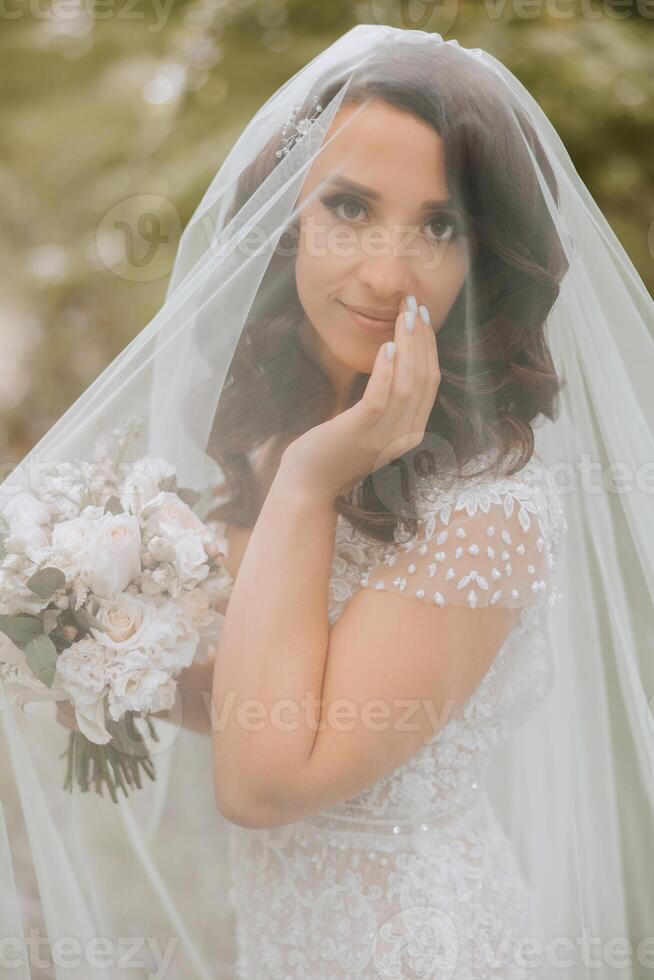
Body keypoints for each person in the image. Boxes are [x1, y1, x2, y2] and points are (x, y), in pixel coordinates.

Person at [3, 24, 653, 980]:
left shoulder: (484, 512)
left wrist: (309, 479)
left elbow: (267, 782)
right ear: (285, 220)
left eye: (439, 226)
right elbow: (277, 699)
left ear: (489, 258)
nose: (387, 274)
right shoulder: (294, 429)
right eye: (349, 208)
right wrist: (101, 658)